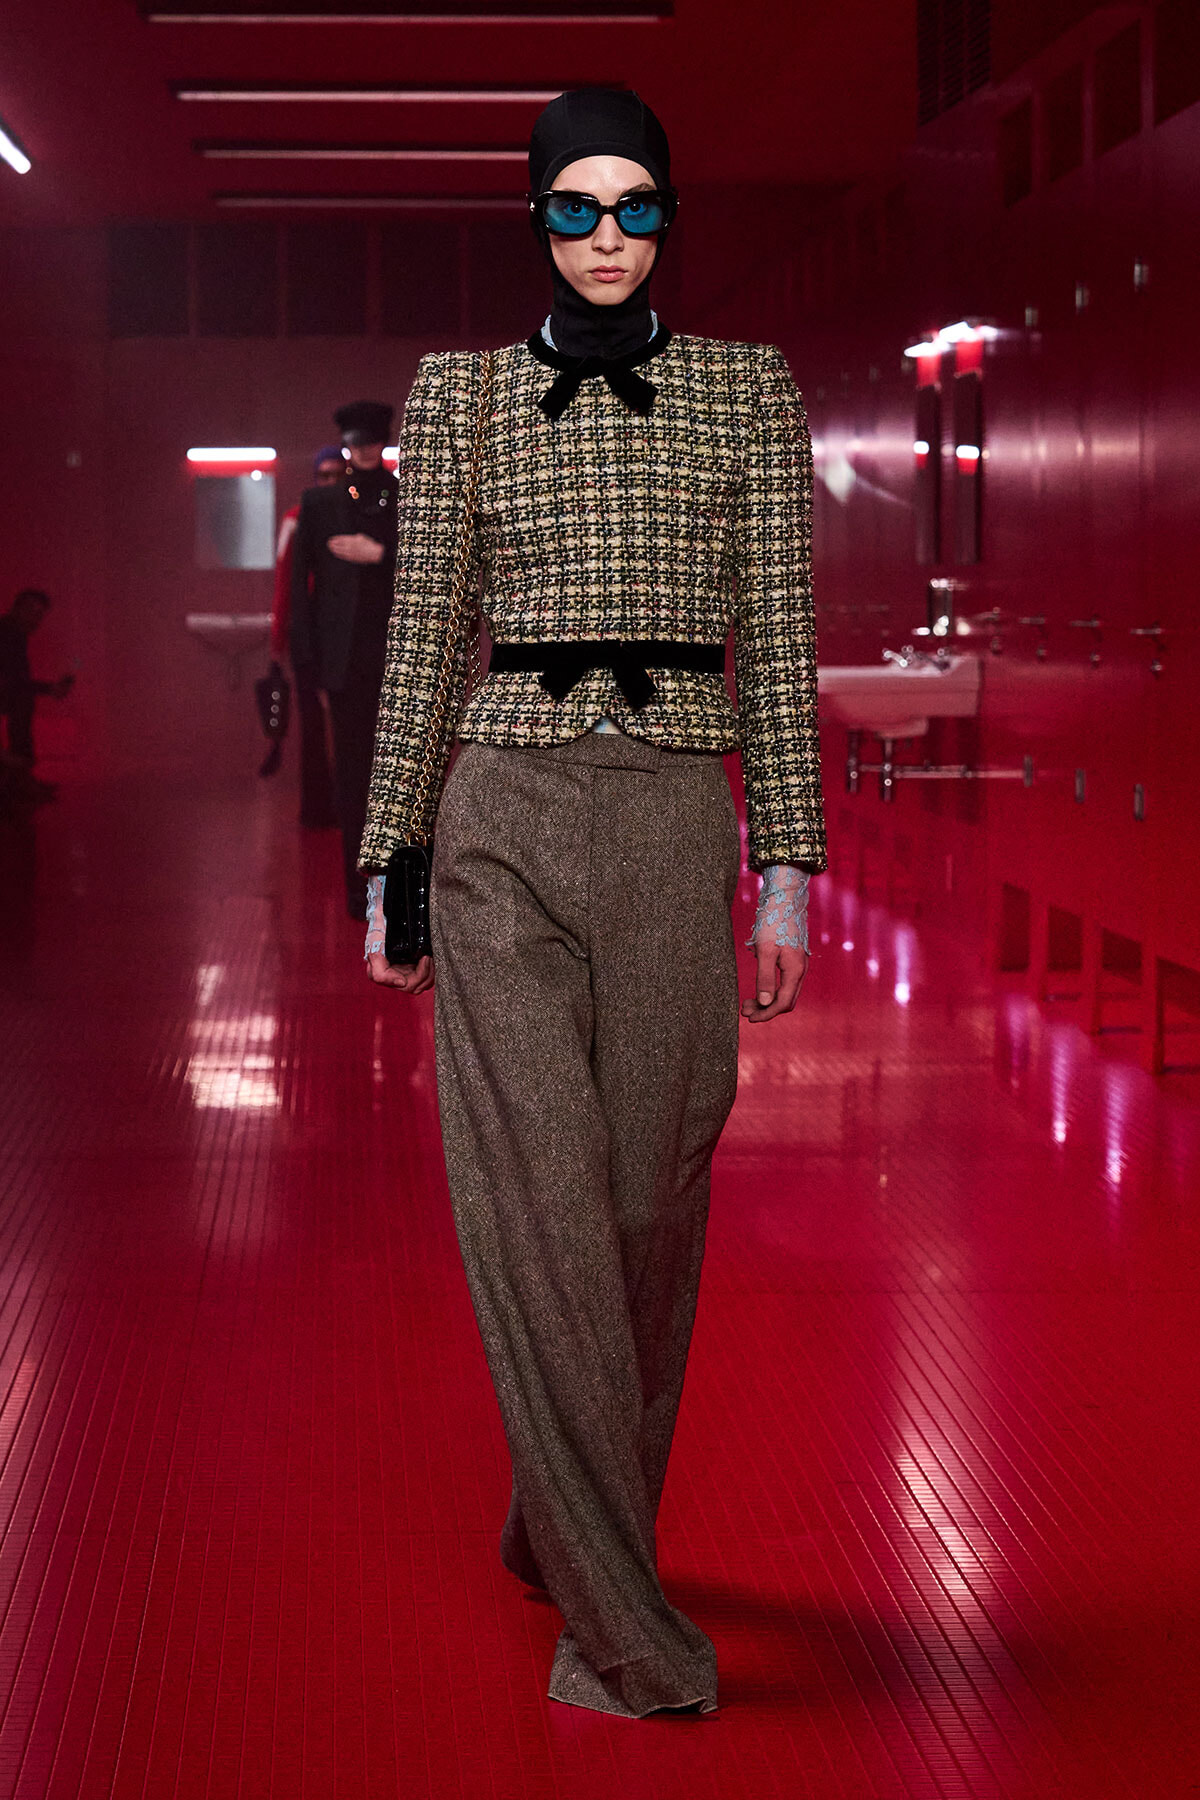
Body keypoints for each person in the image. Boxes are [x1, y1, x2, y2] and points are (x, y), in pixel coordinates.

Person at [360, 89, 825, 1719]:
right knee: (541, 1206)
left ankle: (556, 1517)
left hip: (668, 826)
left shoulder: (747, 395)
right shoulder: (464, 396)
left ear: (667, 219)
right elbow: (423, 637)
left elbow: (780, 638)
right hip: (504, 821)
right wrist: (392, 857)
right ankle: (624, 1637)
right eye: (577, 208)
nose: (608, 236)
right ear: (538, 220)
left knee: (645, 1211)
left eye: (635, 207)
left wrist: (785, 875)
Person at [289, 401, 398, 917]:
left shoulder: (408, 500)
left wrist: (380, 555)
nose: (365, 450)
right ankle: (361, 890)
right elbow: (298, 587)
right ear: (348, 444)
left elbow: (436, 564)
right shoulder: (320, 503)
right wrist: (305, 658)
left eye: (373, 441)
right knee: (353, 777)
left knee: (399, 775)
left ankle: (399, 888)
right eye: (358, 442)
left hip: (398, 658)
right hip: (346, 662)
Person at [270, 444, 343, 828]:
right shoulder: (297, 520)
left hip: (338, 635)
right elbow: (285, 583)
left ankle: (338, 803)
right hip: (311, 635)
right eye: (324, 475)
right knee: (314, 723)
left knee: (345, 724)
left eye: (336, 475)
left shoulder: (343, 518)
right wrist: (278, 640)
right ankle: (318, 808)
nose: (330, 482)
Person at [0, 589, 75, 802]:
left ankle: (19, 776)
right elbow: (14, 682)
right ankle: (20, 776)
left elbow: (15, 680)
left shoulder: (13, 634)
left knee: (22, 700)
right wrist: (50, 689)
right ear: (17, 609)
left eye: (39, 613)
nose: (35, 618)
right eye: (31, 611)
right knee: (22, 701)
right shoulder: (7, 634)